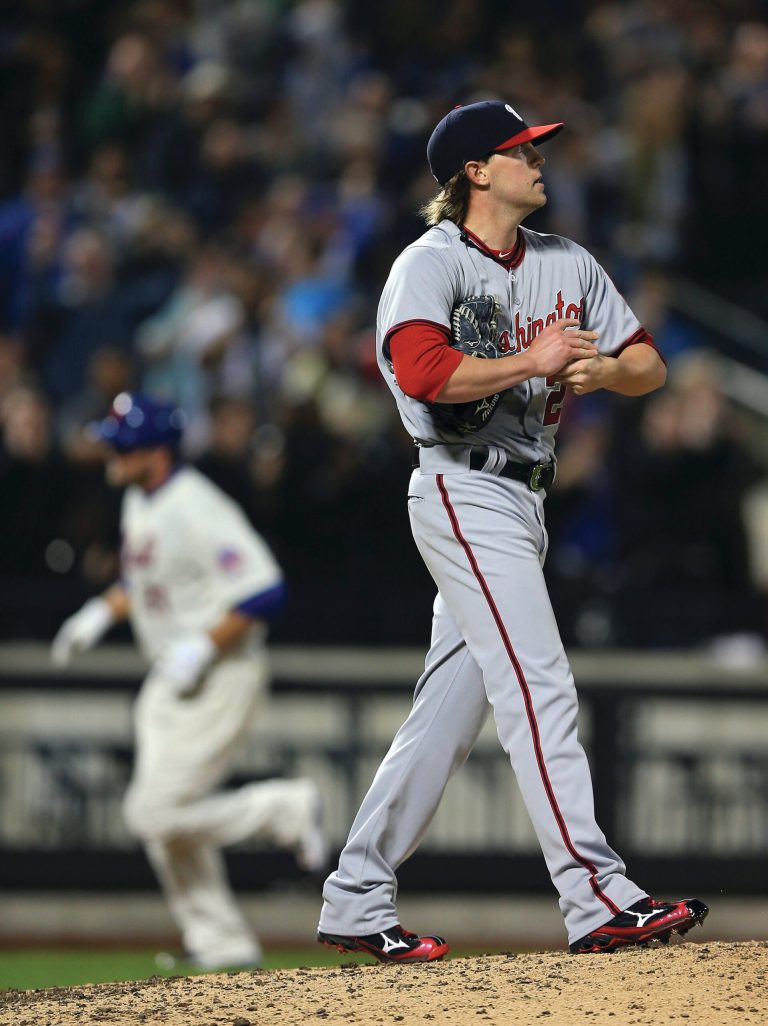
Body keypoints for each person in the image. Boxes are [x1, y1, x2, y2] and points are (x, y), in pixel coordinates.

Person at [317, 100, 708, 962]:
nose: (539, 160)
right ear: (476, 172)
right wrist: (533, 360)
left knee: (446, 716)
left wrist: (606, 370)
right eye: (522, 150)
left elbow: (650, 362)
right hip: (460, 486)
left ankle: (355, 893)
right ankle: (596, 895)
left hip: (526, 497)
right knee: (540, 683)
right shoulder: (429, 263)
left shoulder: (566, 261)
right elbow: (422, 372)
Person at [52, 391, 326, 970]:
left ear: (155, 452)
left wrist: (204, 644)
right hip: (171, 677)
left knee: (151, 814)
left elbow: (265, 590)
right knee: (163, 821)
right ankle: (219, 940)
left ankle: (285, 810)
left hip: (220, 673)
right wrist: (101, 611)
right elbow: (150, 580)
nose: (111, 453)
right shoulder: (140, 498)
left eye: (122, 445)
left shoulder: (197, 505)